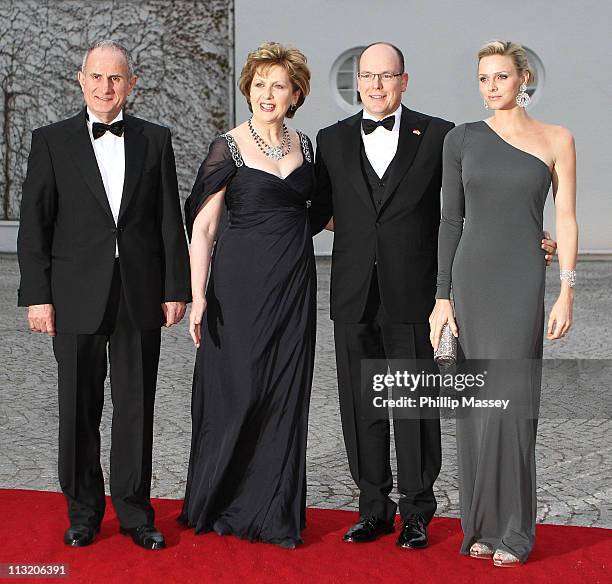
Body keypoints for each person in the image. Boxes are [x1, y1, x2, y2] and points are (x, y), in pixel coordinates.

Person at [309, 41, 557, 549]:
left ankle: (418, 511)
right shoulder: (330, 140)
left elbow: (468, 206)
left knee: (414, 405)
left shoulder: (441, 134)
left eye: (387, 76)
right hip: (353, 292)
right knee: (361, 405)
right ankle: (372, 508)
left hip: (415, 292)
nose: (376, 85)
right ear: (357, 82)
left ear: (404, 80)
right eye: (367, 76)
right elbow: (315, 212)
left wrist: (527, 235)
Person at [17, 40, 191, 550]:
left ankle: (136, 514)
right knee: (78, 406)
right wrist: (38, 296)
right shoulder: (50, 141)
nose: (105, 87)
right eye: (97, 76)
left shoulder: (156, 141)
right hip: (73, 296)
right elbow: (35, 225)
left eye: (116, 78)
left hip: (138, 295)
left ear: (131, 84)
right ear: (81, 79)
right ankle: (83, 513)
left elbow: (167, 221)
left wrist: (174, 287)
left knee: (136, 407)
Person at [429, 40, 577, 566]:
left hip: (520, 284)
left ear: (523, 79)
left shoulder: (557, 139)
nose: (491, 87)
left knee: (512, 407)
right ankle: (481, 526)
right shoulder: (460, 139)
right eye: (483, 79)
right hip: (471, 280)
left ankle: (515, 532)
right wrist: (442, 298)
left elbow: (566, 219)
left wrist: (567, 287)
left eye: (501, 77)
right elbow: (450, 220)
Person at [179, 42, 315, 549]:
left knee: (283, 394)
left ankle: (273, 509)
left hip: (294, 287)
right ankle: (221, 500)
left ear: (295, 93)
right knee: (237, 392)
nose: (267, 93)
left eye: (278, 85)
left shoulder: (307, 146)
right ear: (248, 89)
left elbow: (326, 215)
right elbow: (205, 227)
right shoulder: (228, 145)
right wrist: (199, 296)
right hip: (237, 288)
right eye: (259, 84)